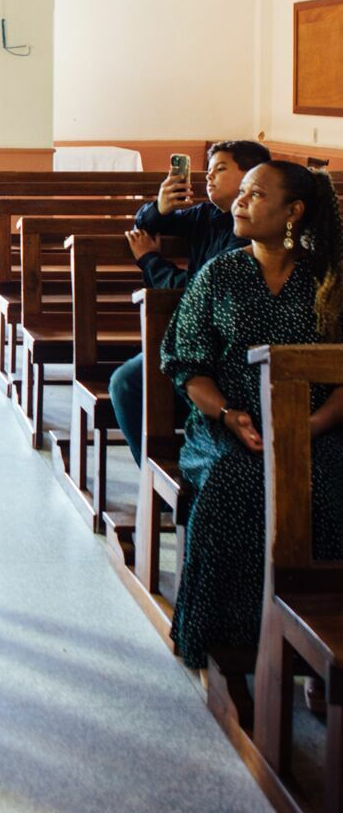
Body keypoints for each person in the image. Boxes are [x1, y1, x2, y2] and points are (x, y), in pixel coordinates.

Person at [161, 160, 343, 671]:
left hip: (314, 428)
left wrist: (308, 428)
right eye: (240, 192)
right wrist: (229, 416)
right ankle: (224, 634)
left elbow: (341, 374)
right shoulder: (221, 272)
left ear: (294, 211)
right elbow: (186, 363)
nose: (239, 201)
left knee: (324, 479)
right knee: (234, 480)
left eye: (255, 194)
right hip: (228, 427)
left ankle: (313, 633)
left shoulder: (327, 279)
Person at [109, 139, 271, 460]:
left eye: (220, 170)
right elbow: (144, 223)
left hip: (226, 345)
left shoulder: (254, 231)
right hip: (196, 339)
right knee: (127, 382)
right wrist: (160, 206)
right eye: (207, 171)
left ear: (252, 175)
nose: (208, 178)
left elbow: (196, 291)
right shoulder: (207, 215)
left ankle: (177, 466)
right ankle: (163, 468)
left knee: (128, 383)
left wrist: (150, 261)